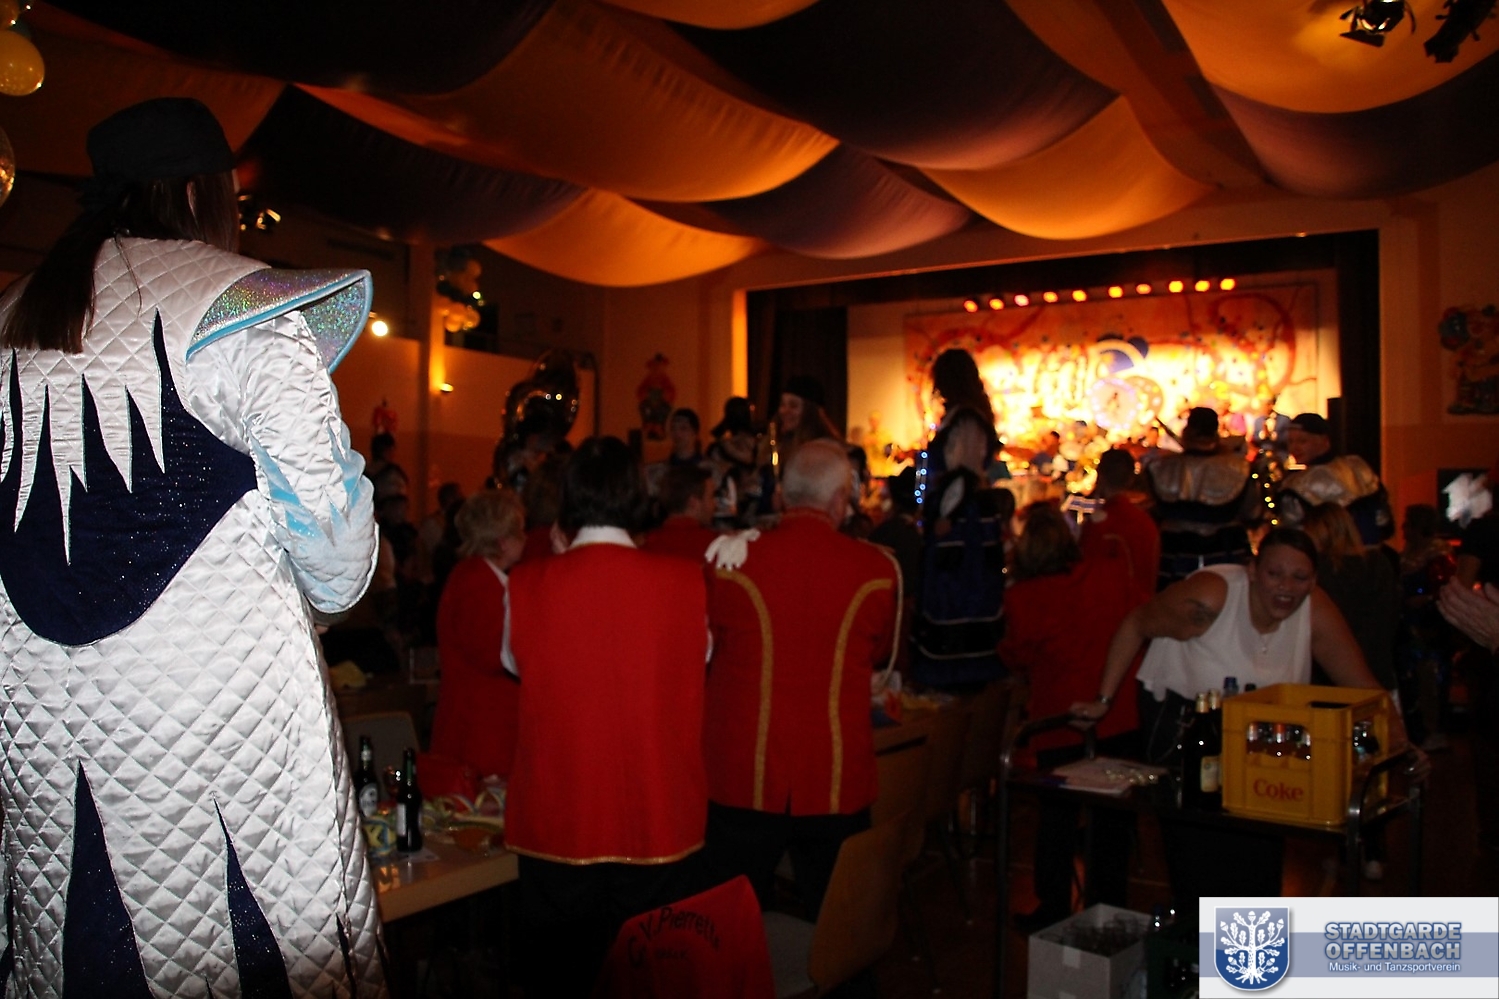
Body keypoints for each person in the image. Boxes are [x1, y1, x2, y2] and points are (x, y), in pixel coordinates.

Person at [0, 99, 383, 993]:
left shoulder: (13, 317)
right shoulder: (241, 309)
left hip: (36, 741)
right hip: (218, 737)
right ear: (203, 192)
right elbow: (337, 563)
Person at [1073, 529, 1394, 917]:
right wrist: (1103, 700)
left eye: (1299, 577)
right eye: (1275, 574)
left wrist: (1402, 745)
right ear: (1253, 571)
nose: (1286, 587)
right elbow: (1136, 623)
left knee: (1259, 853)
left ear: (1314, 580)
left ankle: (1246, 945)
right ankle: (1195, 937)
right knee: (1201, 855)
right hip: (1186, 726)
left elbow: (1363, 686)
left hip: (1258, 734)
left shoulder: (1315, 609)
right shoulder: (1210, 596)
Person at [503, 437, 711, 997]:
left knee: (559, 980)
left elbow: (514, 661)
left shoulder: (525, 584)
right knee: (652, 982)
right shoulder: (685, 582)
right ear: (636, 496)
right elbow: (699, 657)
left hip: (558, 818)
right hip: (658, 815)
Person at [704, 439, 900, 928]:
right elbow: (878, 654)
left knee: (728, 934)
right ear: (839, 500)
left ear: (781, 495)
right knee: (841, 936)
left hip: (745, 778)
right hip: (835, 778)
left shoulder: (728, 564)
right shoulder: (878, 570)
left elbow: (708, 649)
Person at [1000, 503, 1148, 930]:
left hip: (1060, 719)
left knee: (1057, 820)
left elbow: (1018, 654)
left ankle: (1053, 909)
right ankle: (1110, 915)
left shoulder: (1022, 597)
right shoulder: (1109, 574)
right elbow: (1142, 616)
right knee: (1112, 824)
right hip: (1119, 713)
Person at [431, 488, 527, 779]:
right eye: (521, 531)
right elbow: (493, 654)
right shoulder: (478, 584)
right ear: (503, 542)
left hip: (479, 724)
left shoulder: (474, 577)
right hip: (481, 730)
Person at [1143, 406, 1256, 590]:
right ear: (1215, 432)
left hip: (1174, 553)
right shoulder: (1239, 468)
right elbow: (1252, 512)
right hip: (1226, 550)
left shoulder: (1159, 468)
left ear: (1187, 431)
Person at [1301, 502, 1401, 693]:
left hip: (1327, 680)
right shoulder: (1378, 564)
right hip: (1378, 673)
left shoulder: (1318, 571)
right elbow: (1390, 618)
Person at [1278, 412, 1395, 545]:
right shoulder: (1358, 467)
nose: (1294, 448)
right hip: (1371, 551)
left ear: (1324, 441)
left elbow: (1294, 537)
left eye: (1302, 441)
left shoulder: (1297, 485)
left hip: (1328, 555)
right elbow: (1383, 522)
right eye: (1290, 442)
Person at [1079, 447, 1161, 595]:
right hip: (1143, 602)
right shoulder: (1146, 522)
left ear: (1100, 477)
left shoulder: (1101, 524)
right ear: (1131, 479)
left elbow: (1088, 574)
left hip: (1111, 603)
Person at [644, 464, 719, 562]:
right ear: (693, 503)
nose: (715, 504)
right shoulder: (714, 545)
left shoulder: (647, 543)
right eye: (711, 497)